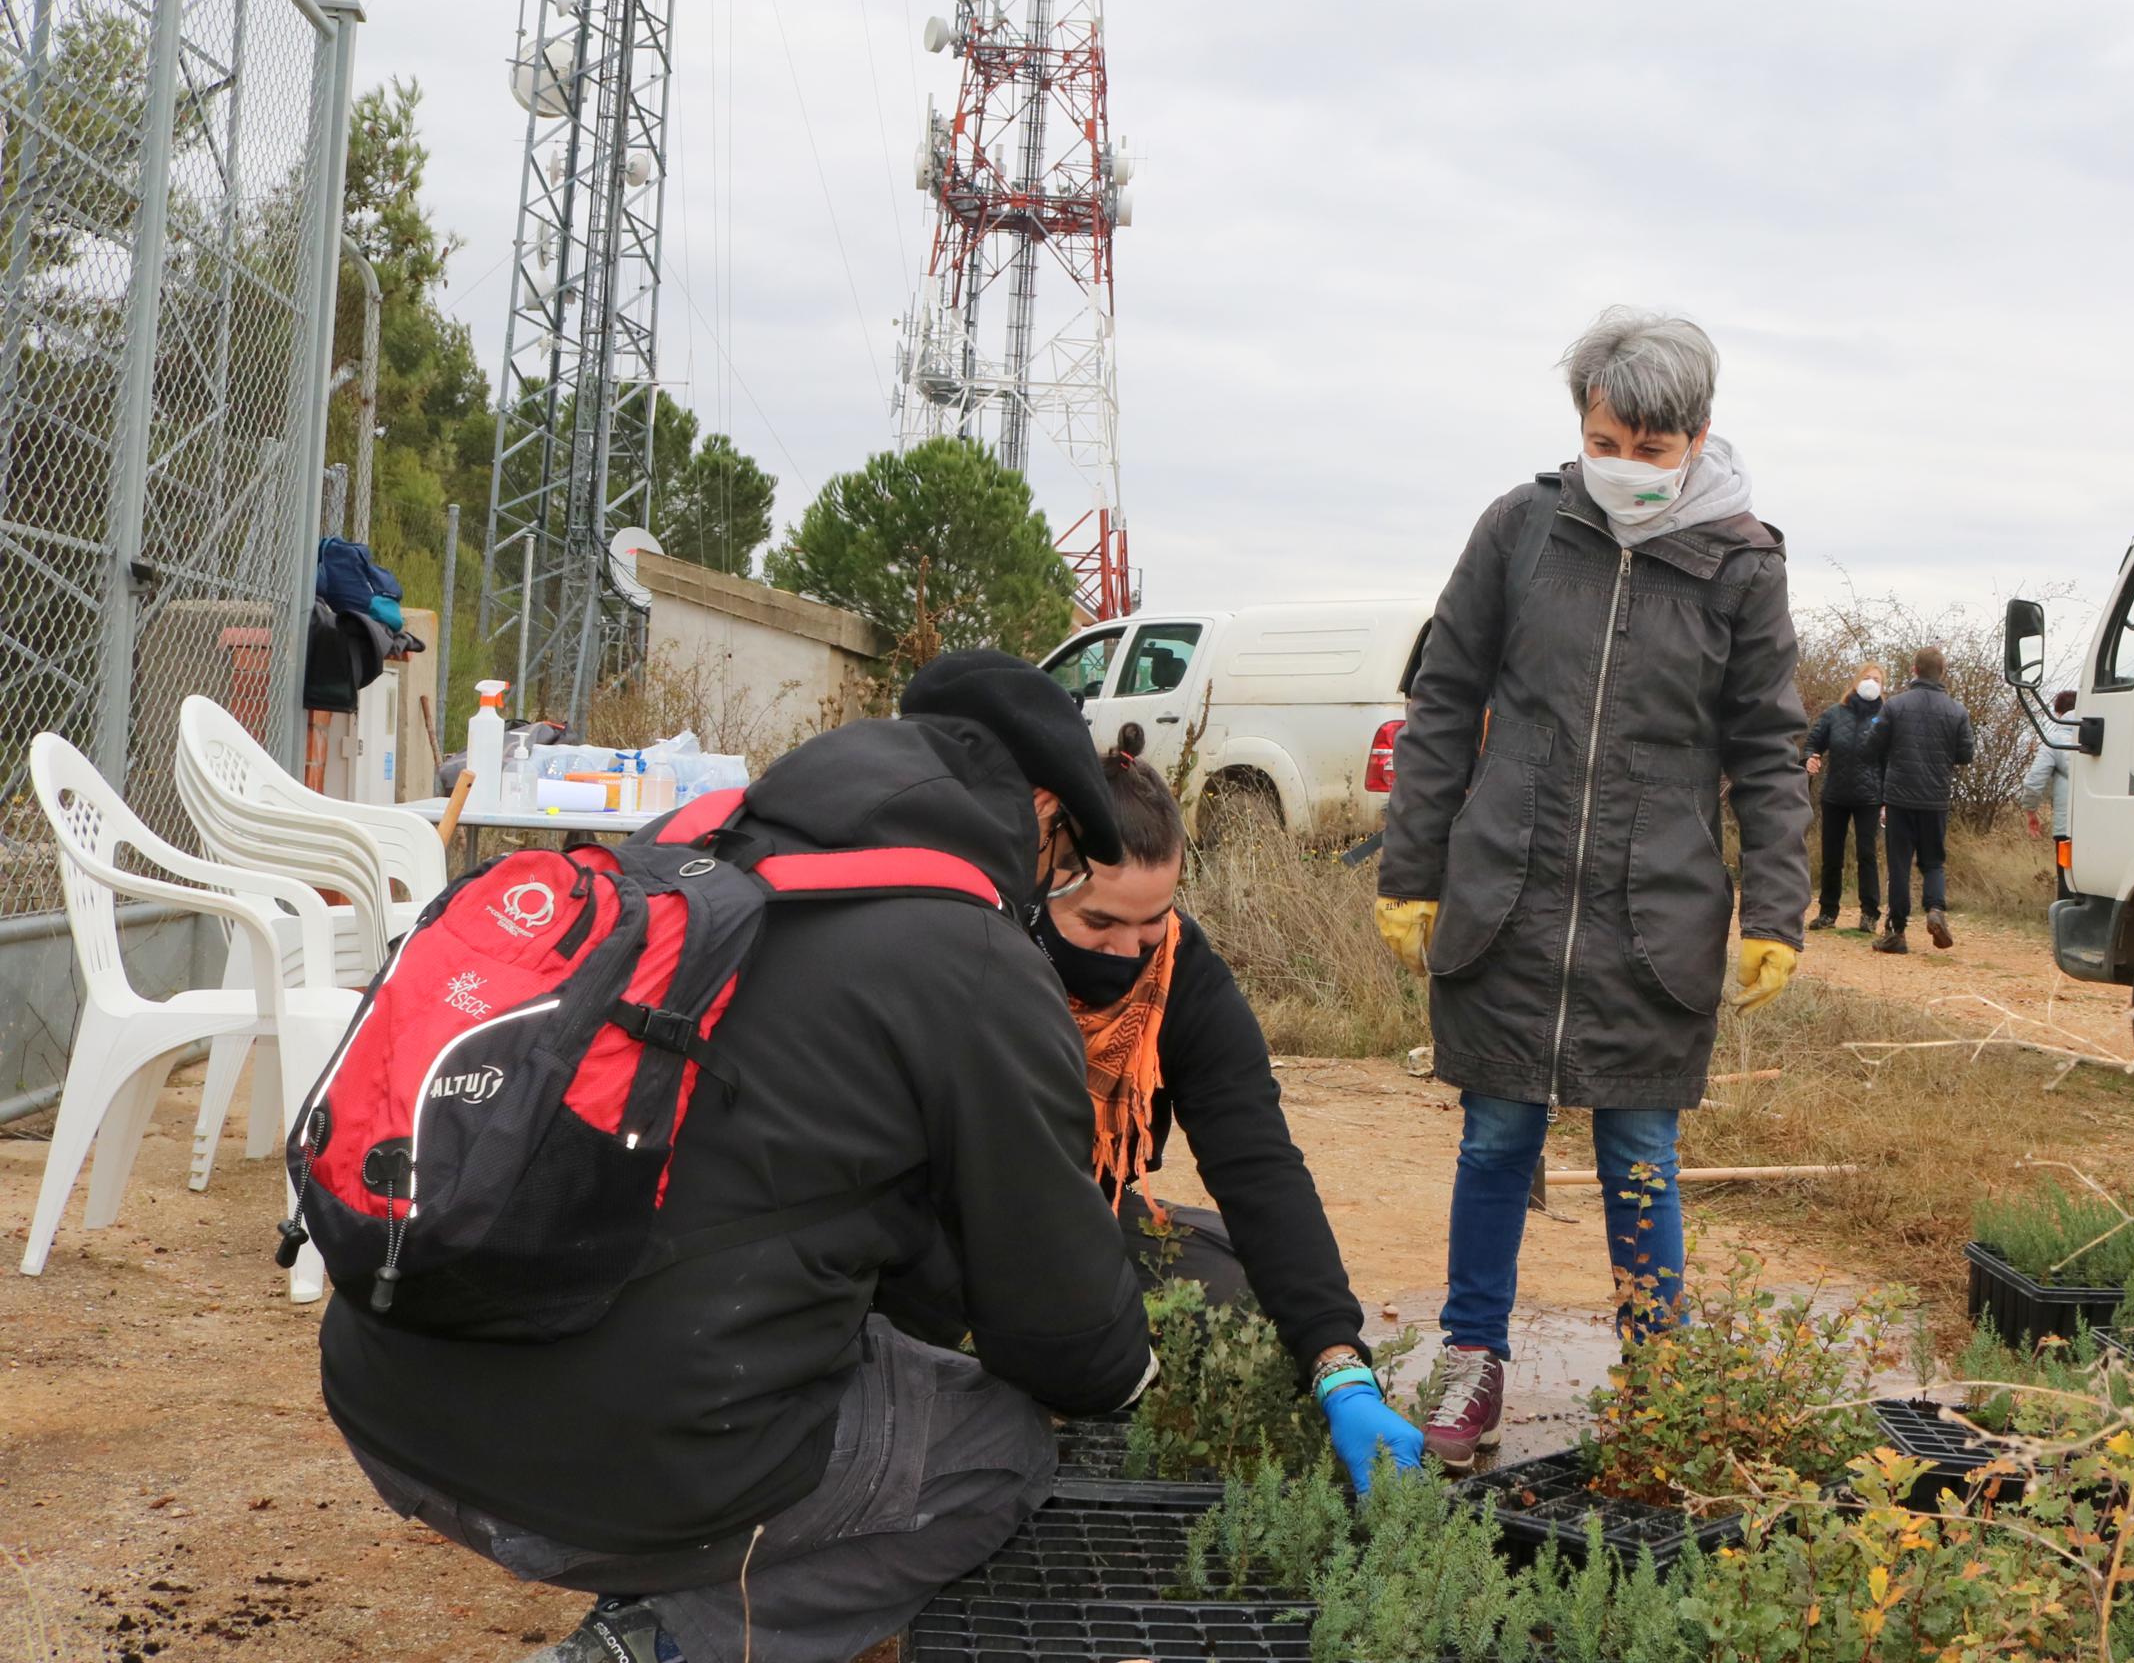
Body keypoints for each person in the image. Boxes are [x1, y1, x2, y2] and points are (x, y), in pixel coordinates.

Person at [321, 651, 1159, 1663]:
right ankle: (663, 1642)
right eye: (1063, 856)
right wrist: (1129, 1371)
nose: (1051, 881)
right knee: (999, 1451)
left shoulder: (679, 850)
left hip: (392, 1397)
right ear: (1034, 806)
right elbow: (1063, 1333)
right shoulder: (972, 956)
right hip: (586, 1477)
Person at [1373, 307, 1810, 1466]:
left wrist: (1776, 910)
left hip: (1652, 906)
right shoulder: (1520, 529)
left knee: (1641, 1152)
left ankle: (1658, 1379)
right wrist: (1411, 869)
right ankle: (1475, 1360)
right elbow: (1440, 702)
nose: (1623, 464)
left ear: (1700, 435)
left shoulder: (1740, 564)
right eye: (1605, 438)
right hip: (1509, 887)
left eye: (1651, 448)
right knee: (1495, 1135)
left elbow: (1769, 749)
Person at [1036, 723, 1427, 1491]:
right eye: (1100, 924)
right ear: (1045, 881)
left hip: (1095, 1208)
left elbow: (1257, 1164)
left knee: (1248, 1315)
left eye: (1151, 922)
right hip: (965, 1229)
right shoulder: (988, 954)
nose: (1127, 950)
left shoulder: (1186, 974)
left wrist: (1338, 1365)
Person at [1873, 645, 1973, 955]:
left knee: (1899, 865)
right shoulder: (1957, 710)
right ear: (1942, 673)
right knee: (1933, 862)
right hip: (1936, 798)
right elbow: (1965, 754)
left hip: (1900, 797)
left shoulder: (1894, 706)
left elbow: (1872, 744)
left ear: (1914, 670)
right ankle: (1935, 910)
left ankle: (1897, 932)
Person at [1802, 665, 1888, 931]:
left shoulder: (1886, 717)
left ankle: (1869, 914)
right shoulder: (1834, 714)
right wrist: (1810, 758)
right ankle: (1828, 912)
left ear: (1883, 687)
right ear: (1856, 681)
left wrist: (1887, 798)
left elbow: (1891, 759)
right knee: (1831, 855)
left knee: (1866, 854)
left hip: (1870, 796)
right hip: (1835, 794)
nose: (1871, 683)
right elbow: (1813, 742)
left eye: (1876, 680)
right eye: (1867, 678)